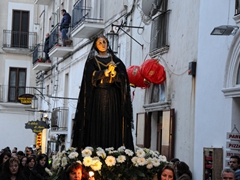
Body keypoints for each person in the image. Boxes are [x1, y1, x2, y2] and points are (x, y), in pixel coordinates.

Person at [72, 35, 134, 151]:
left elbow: (124, 79)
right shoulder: (91, 62)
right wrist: (104, 73)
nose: (102, 44)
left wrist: (114, 75)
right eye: (99, 43)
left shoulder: (116, 61)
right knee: (98, 123)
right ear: (96, 46)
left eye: (104, 42)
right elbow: (89, 79)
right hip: (97, 97)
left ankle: (114, 149)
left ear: (107, 43)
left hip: (113, 97)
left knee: (112, 123)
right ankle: (95, 149)